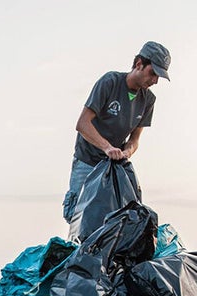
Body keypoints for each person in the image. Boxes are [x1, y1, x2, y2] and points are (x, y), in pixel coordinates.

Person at [63, 41, 171, 231]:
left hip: (113, 167)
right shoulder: (110, 82)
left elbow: (135, 139)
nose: (154, 81)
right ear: (139, 64)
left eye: (159, 77)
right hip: (87, 162)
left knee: (115, 220)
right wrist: (107, 147)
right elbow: (82, 124)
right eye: (152, 73)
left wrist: (127, 151)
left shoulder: (148, 100)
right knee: (79, 218)